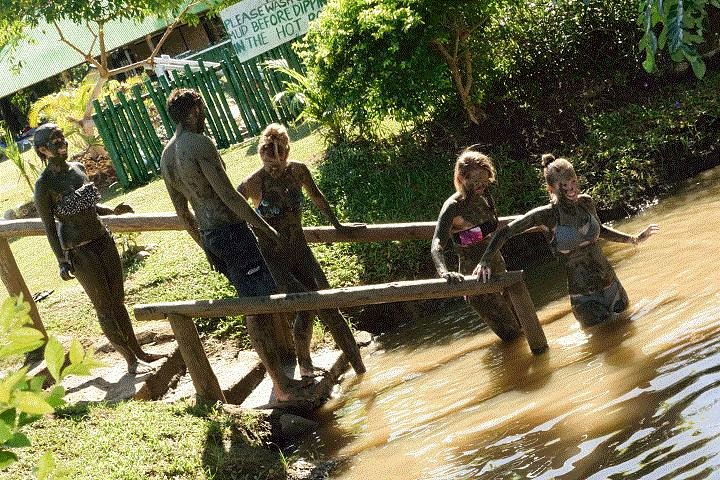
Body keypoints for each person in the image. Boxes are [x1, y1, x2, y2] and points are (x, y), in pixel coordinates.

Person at [159, 89, 309, 402]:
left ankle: (280, 379)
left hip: (211, 235)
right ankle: (280, 386)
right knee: (256, 306)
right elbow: (228, 195)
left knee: (254, 303)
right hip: (231, 231)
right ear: (196, 110)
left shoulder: (167, 156)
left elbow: (183, 214)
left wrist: (206, 246)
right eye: (203, 108)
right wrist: (265, 228)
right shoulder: (199, 143)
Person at [238, 123, 366, 379]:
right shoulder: (253, 183)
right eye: (269, 164)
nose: (274, 170)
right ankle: (304, 364)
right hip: (274, 257)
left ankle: (362, 371)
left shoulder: (298, 172)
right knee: (304, 304)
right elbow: (233, 208)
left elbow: (317, 198)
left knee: (329, 304)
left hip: (300, 249)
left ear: (287, 153)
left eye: (279, 163)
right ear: (262, 156)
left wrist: (338, 225)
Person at [33, 123, 162, 374]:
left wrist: (112, 210)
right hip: (80, 251)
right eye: (54, 140)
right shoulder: (44, 185)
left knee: (118, 301)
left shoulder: (78, 169)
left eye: (62, 137)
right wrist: (61, 260)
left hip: (102, 240)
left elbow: (88, 207)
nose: (62, 143)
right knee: (104, 307)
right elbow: (49, 227)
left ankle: (139, 352)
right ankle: (131, 361)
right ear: (43, 150)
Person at [476, 153, 659, 327]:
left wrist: (634, 239)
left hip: (612, 287)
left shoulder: (586, 203)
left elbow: (601, 230)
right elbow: (505, 232)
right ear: (552, 188)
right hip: (584, 297)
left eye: (573, 182)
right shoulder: (546, 216)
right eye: (565, 184)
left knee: (629, 331)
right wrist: (485, 260)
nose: (572, 189)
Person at [431, 149, 522, 341]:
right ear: (462, 178)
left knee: (522, 328)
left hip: (497, 266)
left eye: (485, 180)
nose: (482, 185)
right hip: (475, 277)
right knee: (511, 334)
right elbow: (437, 242)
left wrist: (477, 237)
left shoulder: (485, 195)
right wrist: (444, 271)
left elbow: (491, 229)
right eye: (477, 181)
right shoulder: (453, 206)